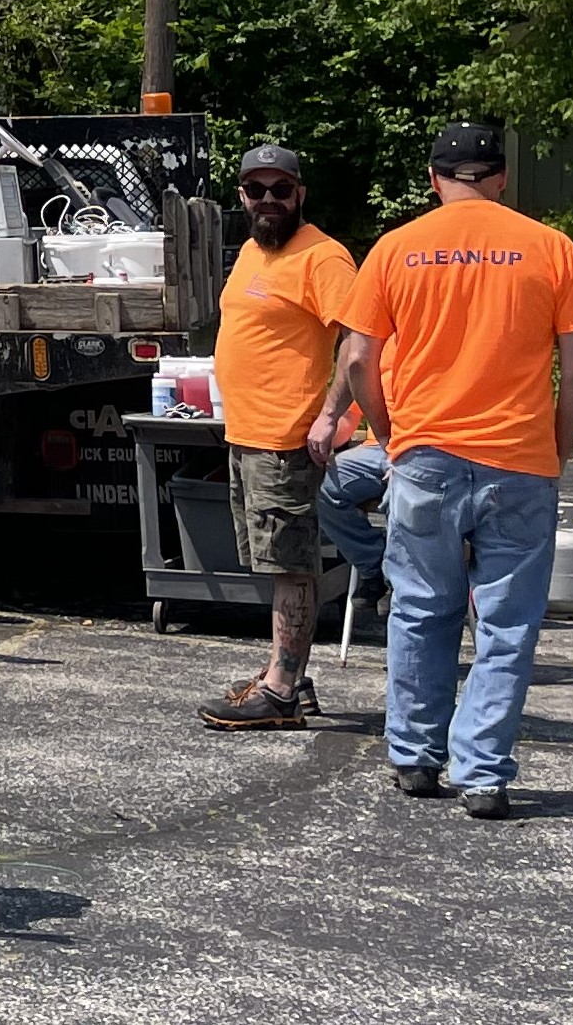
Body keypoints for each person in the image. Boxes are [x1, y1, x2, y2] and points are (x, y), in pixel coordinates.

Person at [334, 122, 573, 819]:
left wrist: (393, 435)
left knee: (421, 609)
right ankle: (481, 774)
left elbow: (359, 358)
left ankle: (414, 758)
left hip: (424, 455)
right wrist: (557, 447)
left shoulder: (395, 249)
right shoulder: (550, 249)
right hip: (517, 458)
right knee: (506, 624)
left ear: (433, 178)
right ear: (501, 177)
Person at [198, 143, 362, 730]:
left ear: (300, 193)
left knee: (291, 565)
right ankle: (288, 673)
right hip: (248, 433)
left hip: (287, 437)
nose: (269, 200)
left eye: (281, 189)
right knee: (273, 563)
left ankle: (282, 692)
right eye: (256, 190)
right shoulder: (251, 251)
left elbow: (359, 341)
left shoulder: (323, 257)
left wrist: (331, 415)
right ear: (241, 196)